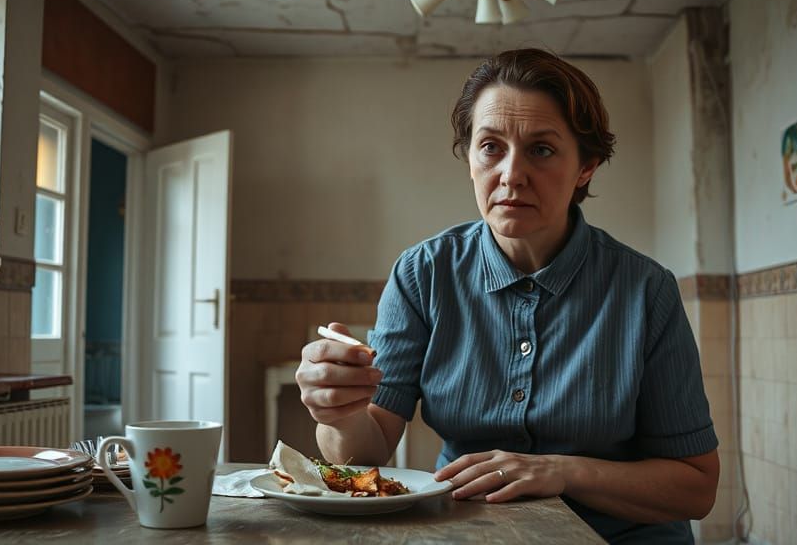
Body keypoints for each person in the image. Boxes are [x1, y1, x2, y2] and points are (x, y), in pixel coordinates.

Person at [295, 48, 719, 544]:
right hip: (466, 532)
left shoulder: (646, 291)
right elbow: (361, 460)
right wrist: (340, 414)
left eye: (541, 150)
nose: (511, 174)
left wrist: (561, 471)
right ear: (470, 158)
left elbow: (696, 488)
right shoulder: (422, 275)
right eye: (491, 147)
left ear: (587, 166)